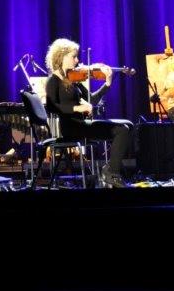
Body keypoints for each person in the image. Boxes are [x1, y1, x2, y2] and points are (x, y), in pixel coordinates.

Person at [45, 38, 132, 188]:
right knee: (122, 130)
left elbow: (92, 99)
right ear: (61, 57)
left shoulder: (73, 79)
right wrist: (77, 108)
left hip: (82, 124)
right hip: (72, 128)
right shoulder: (53, 81)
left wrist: (107, 83)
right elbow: (52, 107)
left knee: (129, 125)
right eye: (74, 57)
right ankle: (112, 172)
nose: (77, 60)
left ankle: (112, 168)